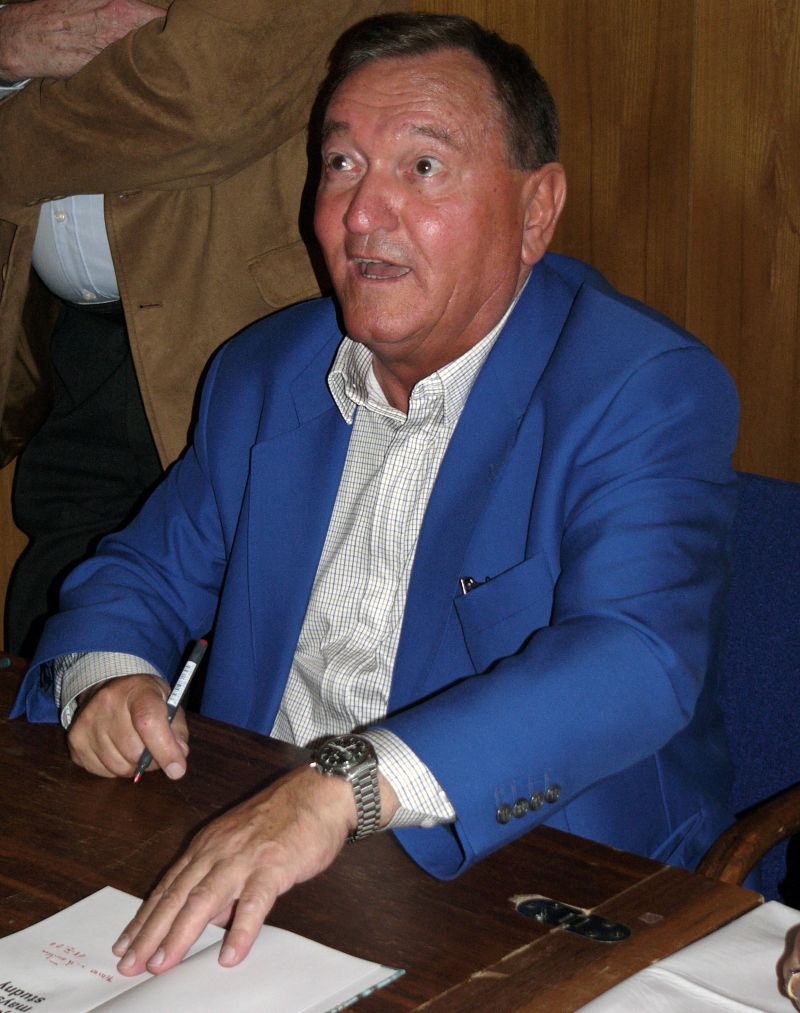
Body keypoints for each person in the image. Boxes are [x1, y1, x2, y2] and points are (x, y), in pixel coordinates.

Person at [13, 12, 740, 979]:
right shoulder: (268, 369)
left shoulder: (638, 385)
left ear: (536, 212)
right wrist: (112, 677)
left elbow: (635, 658)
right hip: (258, 854)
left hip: (537, 874)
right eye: (341, 164)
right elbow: (142, 573)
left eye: (422, 167)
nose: (363, 213)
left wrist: (340, 787)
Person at [0, 0, 391, 657]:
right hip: (68, 347)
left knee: (250, 648)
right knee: (58, 649)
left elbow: (194, 97)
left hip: (244, 330)